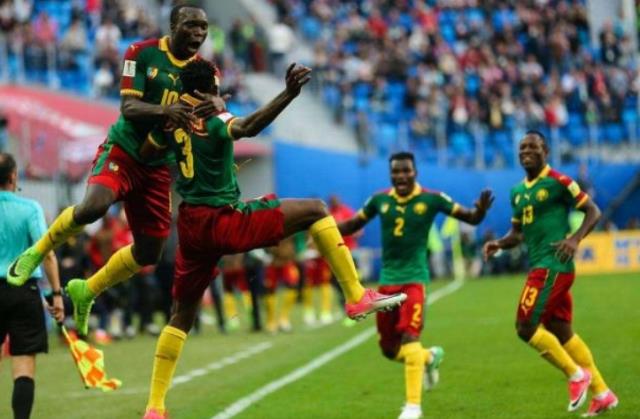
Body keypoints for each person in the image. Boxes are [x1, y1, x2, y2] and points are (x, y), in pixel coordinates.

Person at [142, 59, 406, 418]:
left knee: (181, 314)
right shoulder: (214, 116)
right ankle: (355, 295)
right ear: (208, 88)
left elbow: (148, 153)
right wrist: (288, 94)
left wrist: (166, 126)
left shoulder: (171, 119)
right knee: (315, 209)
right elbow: (247, 127)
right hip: (223, 219)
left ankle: (155, 407)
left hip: (190, 226)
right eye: (217, 85)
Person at [6, 5, 225, 336]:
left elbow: (212, 117)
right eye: (191, 24)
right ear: (173, 25)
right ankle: (35, 254)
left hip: (157, 166)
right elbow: (129, 106)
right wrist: (167, 110)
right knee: (93, 207)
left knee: (150, 252)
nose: (199, 32)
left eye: (203, 27)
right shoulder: (141, 53)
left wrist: (219, 106)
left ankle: (87, 290)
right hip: (124, 151)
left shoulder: (206, 71)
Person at [338, 151, 494, 419]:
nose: (401, 176)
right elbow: (353, 224)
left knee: (411, 336)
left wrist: (479, 211)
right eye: (395, 171)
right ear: (390, 174)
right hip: (386, 283)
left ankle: (413, 407)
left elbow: (470, 217)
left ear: (415, 172)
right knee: (389, 350)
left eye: (406, 171)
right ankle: (429, 358)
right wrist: (323, 230)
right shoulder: (379, 200)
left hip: (414, 280)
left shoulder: (432, 199)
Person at [483, 130, 618, 417]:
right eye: (522, 147)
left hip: (553, 266)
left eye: (533, 147)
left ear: (545, 151)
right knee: (561, 330)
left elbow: (593, 211)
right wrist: (498, 243)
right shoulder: (517, 192)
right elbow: (517, 234)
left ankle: (576, 375)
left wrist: (575, 239)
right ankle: (603, 394)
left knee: (525, 327)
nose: (526, 151)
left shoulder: (560, 182)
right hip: (541, 265)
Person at [0, 153, 64, 419]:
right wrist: (56, 294)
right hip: (23, 291)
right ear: (14, 175)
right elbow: (46, 253)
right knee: (23, 366)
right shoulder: (30, 208)